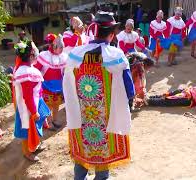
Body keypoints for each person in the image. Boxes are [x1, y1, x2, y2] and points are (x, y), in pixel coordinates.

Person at [63, 11, 135, 180]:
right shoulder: (115, 56)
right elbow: (129, 89)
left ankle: (79, 177)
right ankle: (101, 177)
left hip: (81, 113)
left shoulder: (76, 54)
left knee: (82, 146)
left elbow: (66, 82)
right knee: (104, 147)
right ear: (112, 34)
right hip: (105, 115)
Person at [13, 41, 50, 162]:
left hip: (34, 103)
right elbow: (27, 96)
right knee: (26, 129)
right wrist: (34, 111)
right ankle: (27, 152)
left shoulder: (26, 69)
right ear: (30, 56)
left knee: (34, 126)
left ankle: (34, 146)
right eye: (35, 54)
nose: (37, 56)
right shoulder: (26, 72)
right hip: (27, 107)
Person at [34, 34, 67, 131]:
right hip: (46, 84)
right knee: (48, 104)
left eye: (62, 47)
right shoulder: (43, 56)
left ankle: (55, 120)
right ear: (53, 46)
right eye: (59, 47)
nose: (61, 50)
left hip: (59, 85)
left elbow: (65, 71)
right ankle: (49, 122)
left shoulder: (64, 57)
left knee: (57, 103)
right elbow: (37, 70)